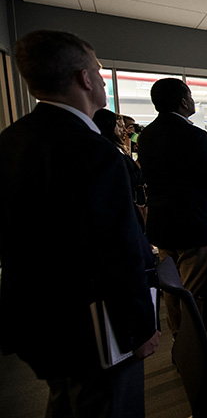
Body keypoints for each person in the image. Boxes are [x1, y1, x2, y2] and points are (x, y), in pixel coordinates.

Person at [0, 30, 158, 417]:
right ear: (84, 78)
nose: (104, 79)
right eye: (99, 71)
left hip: (38, 321)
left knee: (66, 401)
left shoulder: (11, 139)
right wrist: (138, 330)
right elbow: (116, 253)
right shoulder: (92, 152)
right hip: (92, 329)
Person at [138, 78, 207, 336]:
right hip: (195, 231)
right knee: (195, 298)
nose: (193, 101)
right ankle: (195, 354)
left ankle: (181, 345)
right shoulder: (195, 136)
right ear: (183, 101)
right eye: (190, 96)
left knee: (172, 291)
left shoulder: (146, 135)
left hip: (162, 228)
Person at [93, 109, 148, 231]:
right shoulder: (108, 150)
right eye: (119, 126)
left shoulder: (119, 148)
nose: (124, 130)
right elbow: (126, 175)